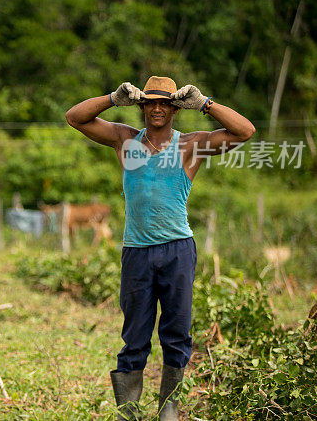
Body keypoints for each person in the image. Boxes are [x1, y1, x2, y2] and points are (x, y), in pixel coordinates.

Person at [65, 76, 255, 420]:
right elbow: (75, 118)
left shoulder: (191, 145)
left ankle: (168, 409)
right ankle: (130, 411)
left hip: (178, 251)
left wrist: (205, 103)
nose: (156, 108)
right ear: (140, 106)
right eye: (150, 102)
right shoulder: (125, 140)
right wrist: (112, 97)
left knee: (176, 333)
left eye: (165, 103)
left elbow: (245, 132)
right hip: (137, 251)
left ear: (175, 108)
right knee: (134, 335)